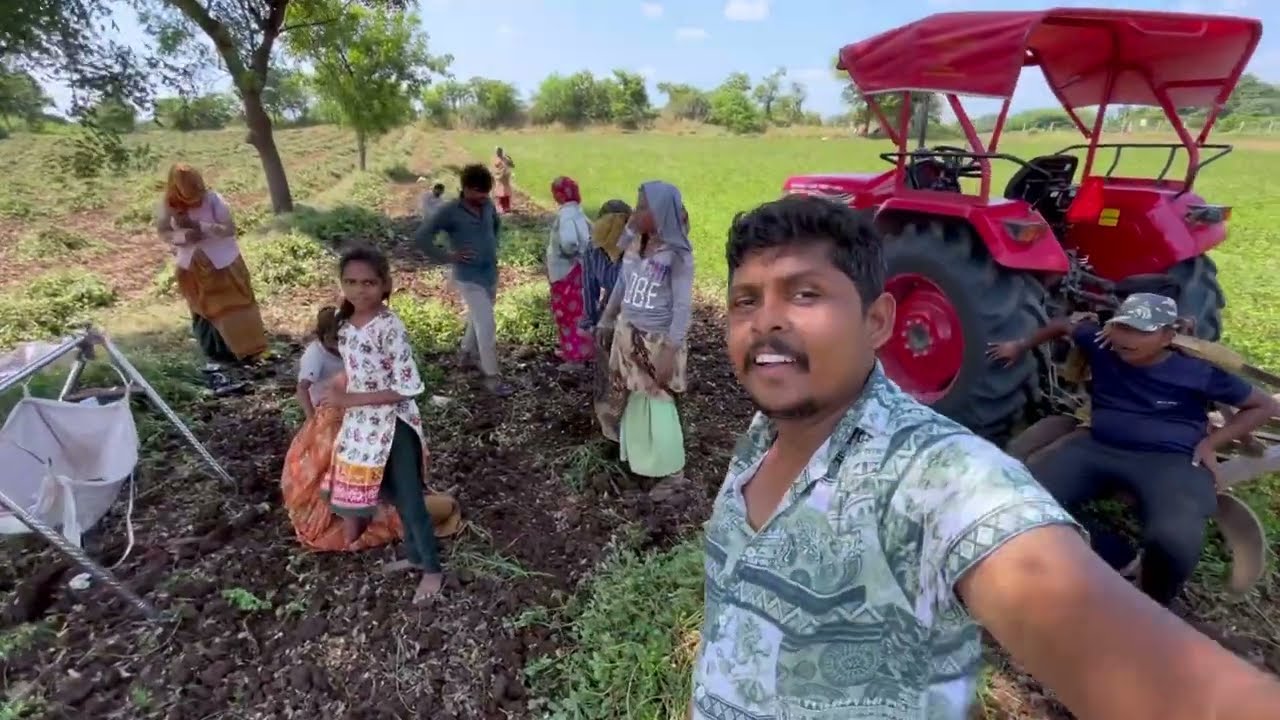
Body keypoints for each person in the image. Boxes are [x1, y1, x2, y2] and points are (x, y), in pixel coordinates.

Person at [692, 194, 1280, 720]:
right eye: (745, 300)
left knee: (1172, 532)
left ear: (878, 321)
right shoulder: (764, 431)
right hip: (1102, 441)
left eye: (805, 293)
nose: (765, 319)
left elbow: (1162, 681)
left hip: (1166, 459)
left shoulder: (946, 479)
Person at [988, 293, 1279, 606]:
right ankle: (1114, 555)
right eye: (1122, 327)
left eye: (1142, 331)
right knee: (1020, 497)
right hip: (1098, 447)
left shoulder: (1196, 371)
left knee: (1174, 541)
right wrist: (1019, 346)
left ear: (1168, 336)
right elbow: (1062, 325)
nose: (1126, 338)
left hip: (1171, 460)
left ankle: (1153, 601)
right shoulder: (1101, 343)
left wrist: (1211, 442)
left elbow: (1262, 406)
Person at [281, 305, 463, 556]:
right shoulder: (334, 428)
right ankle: (428, 506)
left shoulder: (360, 368)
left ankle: (425, 500)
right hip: (339, 427)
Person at [324, 245, 445, 603]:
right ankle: (416, 554)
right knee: (389, 494)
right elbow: (359, 368)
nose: (360, 290)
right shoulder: (345, 326)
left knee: (409, 496)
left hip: (393, 425)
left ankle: (432, 570)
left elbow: (408, 386)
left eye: (369, 282)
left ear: (385, 284)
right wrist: (338, 387)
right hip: (363, 428)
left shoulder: (389, 327)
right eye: (351, 282)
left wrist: (349, 400)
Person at [594, 181, 693, 481]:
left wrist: (670, 351)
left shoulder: (678, 256)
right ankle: (641, 461)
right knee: (633, 398)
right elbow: (623, 283)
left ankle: (672, 473)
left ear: (662, 211)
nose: (634, 213)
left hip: (656, 341)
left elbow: (682, 309)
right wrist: (607, 318)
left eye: (642, 207)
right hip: (628, 332)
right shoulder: (636, 245)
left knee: (658, 400)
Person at [154, 163, 268, 392]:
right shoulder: (168, 204)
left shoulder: (214, 199)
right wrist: (181, 236)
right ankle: (216, 354)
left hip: (223, 262)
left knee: (236, 307)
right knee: (204, 311)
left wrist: (201, 227)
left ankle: (246, 352)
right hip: (192, 266)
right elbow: (163, 231)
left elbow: (229, 228)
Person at [414, 164, 513, 397]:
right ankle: (492, 378)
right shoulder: (450, 211)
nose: (483, 197)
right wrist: (448, 256)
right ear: (466, 188)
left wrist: (491, 247)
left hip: (490, 273)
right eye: (478, 192)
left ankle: (466, 354)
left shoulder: (487, 205)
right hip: (468, 277)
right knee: (486, 324)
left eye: (485, 192)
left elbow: (495, 227)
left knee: (478, 317)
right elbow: (421, 237)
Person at [546, 176, 594, 367]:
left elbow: (568, 242)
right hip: (579, 270)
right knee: (579, 312)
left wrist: (569, 253)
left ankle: (574, 358)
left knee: (567, 314)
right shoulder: (578, 212)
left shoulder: (565, 215)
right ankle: (580, 350)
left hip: (566, 272)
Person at [581, 199, 629, 333]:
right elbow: (589, 289)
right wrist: (589, 324)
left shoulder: (637, 252)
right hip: (609, 311)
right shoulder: (593, 250)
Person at [493, 147, 514, 214]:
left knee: (504, 190)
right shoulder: (497, 159)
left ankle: (505, 207)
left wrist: (509, 160)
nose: (498, 153)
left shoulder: (505, 158)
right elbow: (495, 167)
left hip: (505, 175)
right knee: (502, 190)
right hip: (501, 176)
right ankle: (503, 207)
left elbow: (512, 165)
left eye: (499, 152)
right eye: (497, 152)